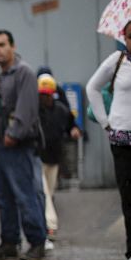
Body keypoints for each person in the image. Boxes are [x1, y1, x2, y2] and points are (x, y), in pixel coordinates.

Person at [0, 29, 48, 260]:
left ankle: (37, 242)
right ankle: (9, 242)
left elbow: (27, 109)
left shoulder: (24, 73)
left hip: (16, 145)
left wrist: (14, 134)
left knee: (25, 195)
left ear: (13, 46)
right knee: (2, 197)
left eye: (1, 44)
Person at [87, 18, 131, 260]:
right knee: (128, 195)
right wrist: (105, 122)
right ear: (124, 38)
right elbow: (92, 87)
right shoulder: (117, 61)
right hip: (122, 139)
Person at [37, 73, 80, 244]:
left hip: (54, 158)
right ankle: (51, 226)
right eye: (42, 94)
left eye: (47, 94)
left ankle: (44, 225)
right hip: (38, 157)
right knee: (45, 193)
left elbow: (71, 124)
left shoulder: (61, 110)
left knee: (50, 193)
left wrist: (74, 130)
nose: (44, 97)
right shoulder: (34, 110)